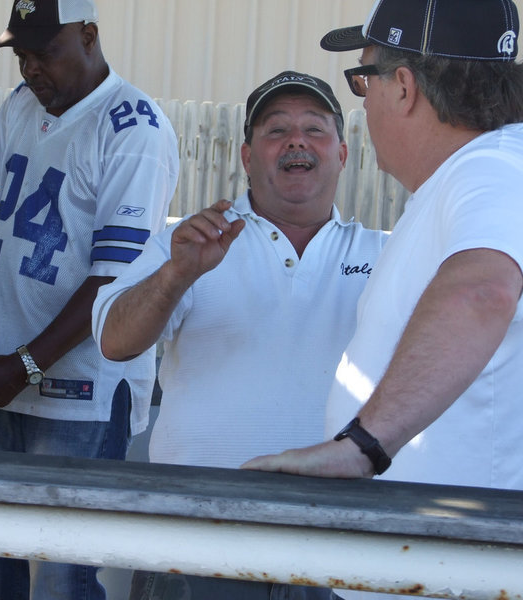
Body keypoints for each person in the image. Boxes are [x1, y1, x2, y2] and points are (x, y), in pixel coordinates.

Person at [0, 0, 179, 598]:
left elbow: (113, 279)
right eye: (21, 54)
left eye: (44, 51)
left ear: (90, 37)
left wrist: (24, 364)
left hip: (84, 395)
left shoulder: (135, 129)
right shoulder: (20, 107)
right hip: (10, 381)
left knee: (61, 576)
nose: (30, 68)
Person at [242, 1, 523, 596]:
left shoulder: (491, 171)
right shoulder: (469, 177)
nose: (361, 101)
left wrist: (363, 448)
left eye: (361, 78)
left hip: (462, 573)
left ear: (403, 85)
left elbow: (482, 290)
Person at [92, 71, 387, 600]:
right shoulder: (191, 242)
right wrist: (177, 274)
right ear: (248, 157)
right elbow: (114, 340)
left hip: (341, 552)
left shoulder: (384, 256)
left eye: (314, 129)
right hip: (196, 546)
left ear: (343, 154)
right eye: (276, 130)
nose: (296, 140)